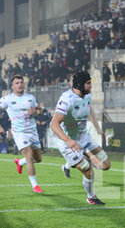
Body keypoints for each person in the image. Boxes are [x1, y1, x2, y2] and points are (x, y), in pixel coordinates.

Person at [51, 71, 111, 205]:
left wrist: (97, 128)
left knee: (106, 165)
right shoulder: (67, 99)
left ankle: (84, 155)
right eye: (88, 83)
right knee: (87, 169)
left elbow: (89, 110)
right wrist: (67, 140)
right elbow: (54, 124)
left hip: (84, 137)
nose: (91, 86)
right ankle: (91, 197)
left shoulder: (87, 96)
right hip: (67, 142)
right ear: (79, 84)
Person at [0, 75, 44, 193]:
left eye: (21, 82)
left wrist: (36, 111)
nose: (20, 84)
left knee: (38, 159)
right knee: (29, 155)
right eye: (17, 83)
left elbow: (40, 111)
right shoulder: (7, 99)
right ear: (12, 86)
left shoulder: (30, 98)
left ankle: (20, 162)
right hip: (19, 132)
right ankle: (35, 186)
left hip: (32, 131)